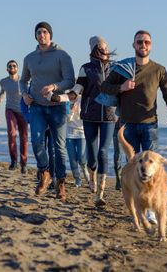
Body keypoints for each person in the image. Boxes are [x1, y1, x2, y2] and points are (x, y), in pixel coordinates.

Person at [100, 30, 167, 221]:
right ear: (134, 45)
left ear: (151, 45)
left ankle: (151, 209)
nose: (143, 45)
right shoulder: (123, 68)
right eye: (139, 42)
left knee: (153, 168)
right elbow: (104, 87)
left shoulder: (159, 69)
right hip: (127, 125)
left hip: (150, 125)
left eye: (146, 42)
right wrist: (122, 87)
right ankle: (139, 203)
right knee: (132, 168)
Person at [58, 36, 117, 207]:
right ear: (94, 49)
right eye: (100, 47)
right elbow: (77, 90)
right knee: (92, 156)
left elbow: (121, 89)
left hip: (109, 116)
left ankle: (100, 194)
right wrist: (61, 97)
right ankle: (92, 176)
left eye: (106, 46)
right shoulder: (86, 68)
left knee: (103, 151)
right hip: (89, 115)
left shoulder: (115, 68)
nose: (105, 49)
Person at [19, 21, 75, 201]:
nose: (41, 35)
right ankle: (44, 172)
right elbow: (23, 80)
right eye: (38, 32)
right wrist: (25, 94)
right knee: (36, 141)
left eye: (44, 32)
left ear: (50, 35)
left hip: (57, 107)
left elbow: (70, 81)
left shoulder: (62, 55)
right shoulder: (29, 58)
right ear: (35, 36)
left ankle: (61, 183)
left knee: (59, 148)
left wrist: (54, 86)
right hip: (36, 106)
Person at [0, 60, 29, 173]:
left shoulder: (23, 80)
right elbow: (1, 94)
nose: (12, 67)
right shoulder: (3, 81)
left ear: (17, 68)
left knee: (24, 138)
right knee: (11, 134)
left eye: (14, 66)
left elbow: (30, 93)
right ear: (7, 69)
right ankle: (14, 161)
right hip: (10, 110)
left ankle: (24, 163)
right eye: (10, 66)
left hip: (23, 111)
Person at [65, 96, 90, 188]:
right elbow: (67, 120)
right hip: (69, 134)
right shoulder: (66, 101)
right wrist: (71, 110)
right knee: (72, 158)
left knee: (82, 158)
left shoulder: (83, 99)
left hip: (82, 133)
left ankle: (87, 175)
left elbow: (85, 117)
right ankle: (77, 178)